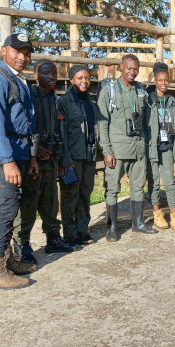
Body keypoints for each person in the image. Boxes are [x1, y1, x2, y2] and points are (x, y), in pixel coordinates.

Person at [0, 33, 39, 289]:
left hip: (19, 151)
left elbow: (25, 121)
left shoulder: (17, 79)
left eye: (26, 53)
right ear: (4, 51)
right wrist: (7, 161)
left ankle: (8, 260)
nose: (22, 57)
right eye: (17, 51)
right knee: (5, 209)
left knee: (11, 207)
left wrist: (31, 156)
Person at [13, 60, 73, 264]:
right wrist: (34, 150)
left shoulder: (55, 98)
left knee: (50, 202)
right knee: (28, 202)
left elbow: (60, 131)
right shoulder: (29, 96)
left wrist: (61, 157)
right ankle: (23, 245)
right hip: (32, 160)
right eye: (46, 73)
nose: (52, 76)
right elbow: (22, 127)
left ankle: (53, 238)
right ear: (36, 75)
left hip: (51, 160)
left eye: (55, 73)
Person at [97, 54, 155, 241]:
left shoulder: (140, 90)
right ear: (121, 67)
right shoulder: (110, 90)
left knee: (138, 186)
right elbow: (102, 122)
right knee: (112, 188)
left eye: (135, 69)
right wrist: (107, 150)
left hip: (138, 147)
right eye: (129, 68)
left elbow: (145, 119)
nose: (132, 72)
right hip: (118, 149)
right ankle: (112, 227)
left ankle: (137, 223)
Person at [58, 64, 99, 245]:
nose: (84, 81)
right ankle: (70, 232)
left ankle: (83, 229)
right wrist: (65, 159)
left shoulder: (90, 101)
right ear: (71, 80)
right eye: (80, 78)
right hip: (72, 157)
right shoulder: (64, 102)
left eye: (87, 78)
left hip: (89, 156)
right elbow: (62, 134)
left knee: (85, 194)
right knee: (70, 195)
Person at [145, 63, 175, 233]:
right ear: (155, 81)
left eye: (166, 80)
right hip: (152, 147)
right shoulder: (147, 101)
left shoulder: (172, 101)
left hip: (167, 145)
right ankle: (158, 215)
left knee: (170, 183)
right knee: (153, 182)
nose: (163, 83)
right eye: (160, 80)